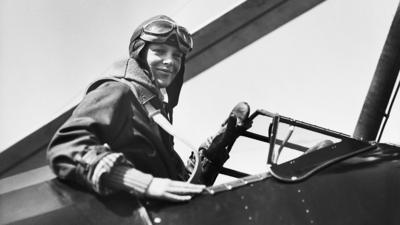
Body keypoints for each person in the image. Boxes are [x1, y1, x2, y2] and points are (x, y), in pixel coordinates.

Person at [47, 15, 251, 202]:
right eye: (159, 52)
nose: (170, 61)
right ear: (141, 55)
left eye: (177, 55)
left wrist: (214, 151)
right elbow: (66, 146)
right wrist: (145, 184)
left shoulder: (152, 112)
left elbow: (181, 186)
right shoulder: (118, 91)